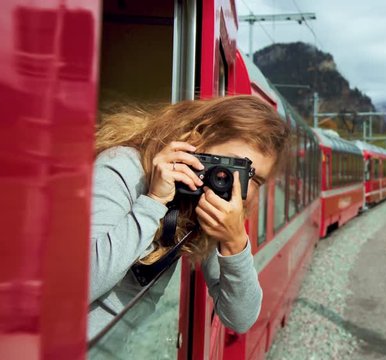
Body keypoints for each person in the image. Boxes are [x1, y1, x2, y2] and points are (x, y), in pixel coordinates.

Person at [88, 95, 290, 339]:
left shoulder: (209, 203)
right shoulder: (124, 167)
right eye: (233, 167)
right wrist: (153, 202)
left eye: (254, 179)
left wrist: (235, 243)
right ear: (199, 136)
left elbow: (239, 320)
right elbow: (81, 286)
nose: (236, 185)